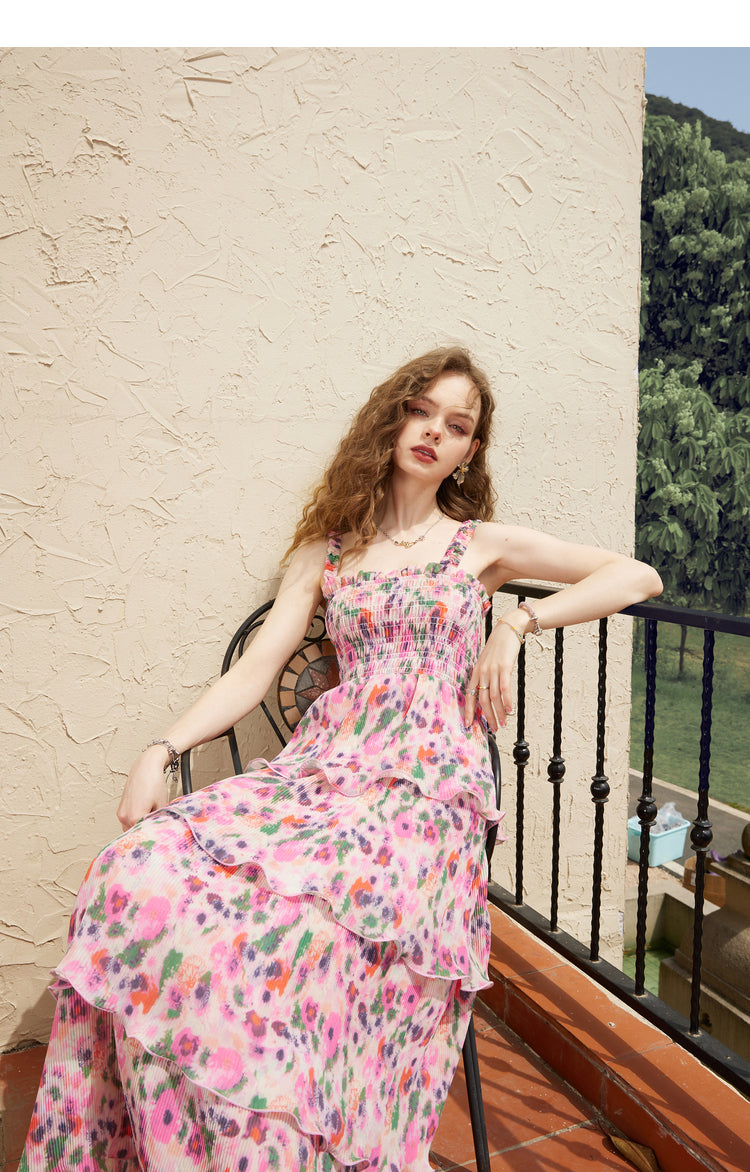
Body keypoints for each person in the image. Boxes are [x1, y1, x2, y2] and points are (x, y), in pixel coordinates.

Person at [21, 346, 662, 1171]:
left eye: (456, 424)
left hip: (428, 792)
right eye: (420, 411)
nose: (433, 432)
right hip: (324, 772)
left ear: (470, 451)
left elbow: (636, 576)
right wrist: (163, 747)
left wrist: (515, 623)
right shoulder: (328, 552)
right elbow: (254, 672)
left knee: (298, 929)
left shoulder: (480, 546)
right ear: (391, 419)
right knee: (136, 868)